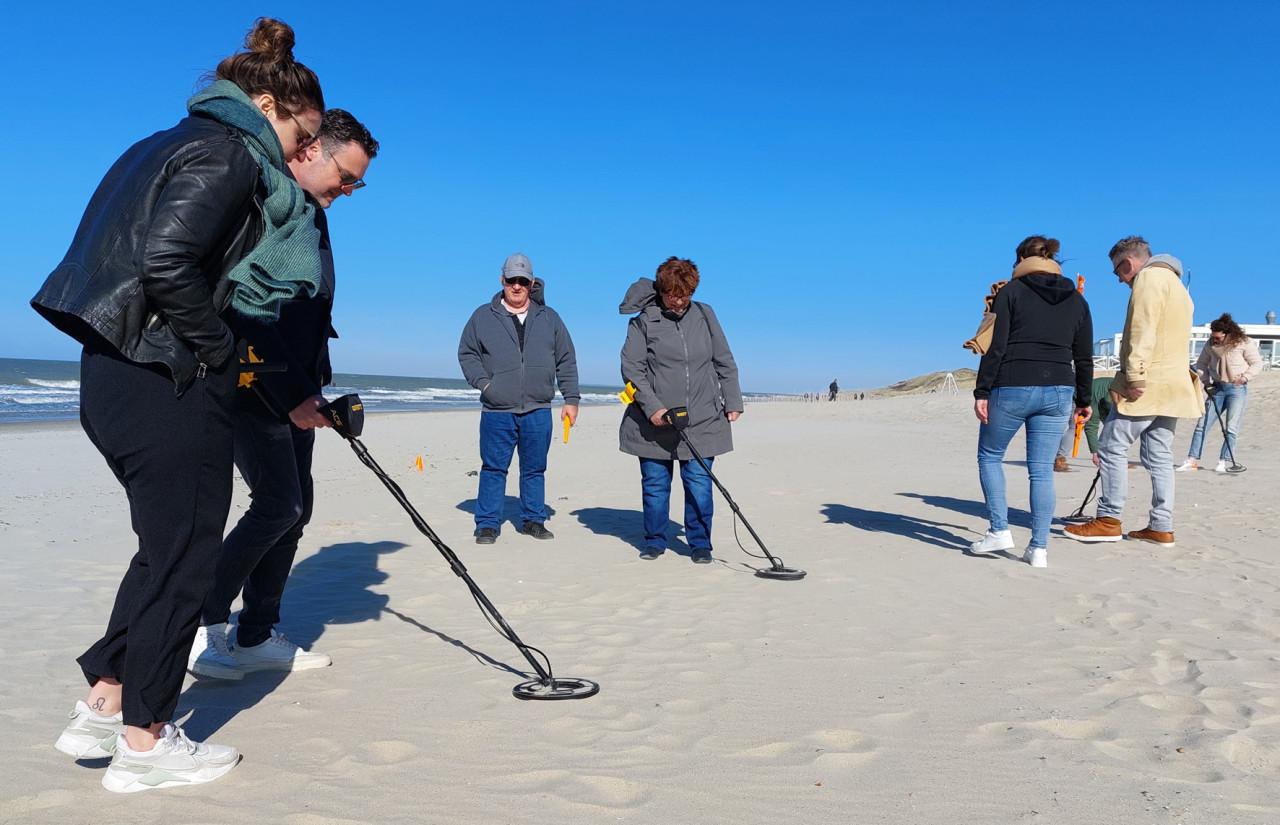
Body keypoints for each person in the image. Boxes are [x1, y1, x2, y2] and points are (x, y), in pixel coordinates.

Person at [32, 18, 325, 792]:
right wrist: (220, 352)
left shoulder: (160, 140)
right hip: (163, 375)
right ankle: (146, 741)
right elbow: (166, 259)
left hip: (112, 372)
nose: (304, 153)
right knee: (188, 557)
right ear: (267, 102)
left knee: (163, 550)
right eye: (305, 133)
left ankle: (105, 700)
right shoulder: (230, 152)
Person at [189, 109, 379, 680]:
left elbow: (307, 314)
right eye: (344, 177)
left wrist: (314, 386)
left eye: (356, 184)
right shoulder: (260, 203)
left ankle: (255, 635)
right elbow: (242, 310)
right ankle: (202, 628)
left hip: (300, 386)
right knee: (279, 503)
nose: (347, 191)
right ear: (308, 150)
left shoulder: (312, 215)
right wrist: (288, 389)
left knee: (296, 511)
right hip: (253, 384)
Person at [1065, 236, 1203, 547]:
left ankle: (1109, 519)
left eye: (1118, 271)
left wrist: (1134, 375)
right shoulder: (1178, 285)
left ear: (1128, 263)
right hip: (1173, 384)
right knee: (1159, 455)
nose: (1118, 279)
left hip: (1147, 382)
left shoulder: (1149, 279)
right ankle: (1161, 525)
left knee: (1111, 446)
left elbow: (1142, 329)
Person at [970, 236, 1093, 568]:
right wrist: (1084, 398)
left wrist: (982, 391)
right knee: (1041, 472)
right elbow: (1083, 356)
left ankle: (999, 531)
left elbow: (995, 346)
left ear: (1022, 259)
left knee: (990, 456)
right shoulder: (1077, 300)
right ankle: (1039, 548)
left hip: (1012, 383)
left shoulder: (1010, 292)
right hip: (1058, 390)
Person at [618, 257, 743, 563]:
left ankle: (700, 543)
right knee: (656, 485)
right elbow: (632, 368)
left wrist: (733, 400)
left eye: (684, 294)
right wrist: (653, 408)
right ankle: (655, 540)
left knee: (699, 484)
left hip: (702, 418)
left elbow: (723, 359)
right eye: (672, 294)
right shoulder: (644, 321)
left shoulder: (705, 314)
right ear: (661, 291)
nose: (678, 301)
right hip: (654, 422)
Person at [458, 253, 580, 544]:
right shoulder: (482, 316)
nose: (516, 286)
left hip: (538, 409)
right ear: (502, 280)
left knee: (534, 468)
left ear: (531, 283)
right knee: (493, 468)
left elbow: (566, 360)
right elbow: (467, 354)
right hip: (497, 410)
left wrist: (571, 399)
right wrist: (486, 385)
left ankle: (533, 520)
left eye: (522, 281)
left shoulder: (549, 318)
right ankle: (487, 524)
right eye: (511, 280)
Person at [1177, 313, 1262, 473]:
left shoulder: (1244, 343)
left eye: (1217, 337)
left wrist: (1244, 378)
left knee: (1231, 427)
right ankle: (1192, 460)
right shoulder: (1210, 345)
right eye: (1213, 336)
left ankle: (1223, 461)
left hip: (1237, 389)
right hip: (1217, 388)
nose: (1214, 340)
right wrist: (1206, 383)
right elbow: (1202, 364)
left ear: (1227, 334)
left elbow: (1257, 363)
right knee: (1202, 425)